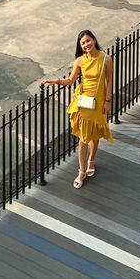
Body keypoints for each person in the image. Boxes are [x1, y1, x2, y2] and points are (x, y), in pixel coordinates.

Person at [44, 30, 113, 188]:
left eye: (88, 41)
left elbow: (109, 82)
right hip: (83, 102)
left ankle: (91, 159)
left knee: (95, 134)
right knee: (83, 137)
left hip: (99, 101)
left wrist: (107, 101)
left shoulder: (106, 59)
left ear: (94, 40)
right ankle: (81, 170)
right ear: (81, 47)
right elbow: (70, 80)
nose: (86, 44)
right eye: (83, 43)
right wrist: (55, 81)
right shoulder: (80, 61)